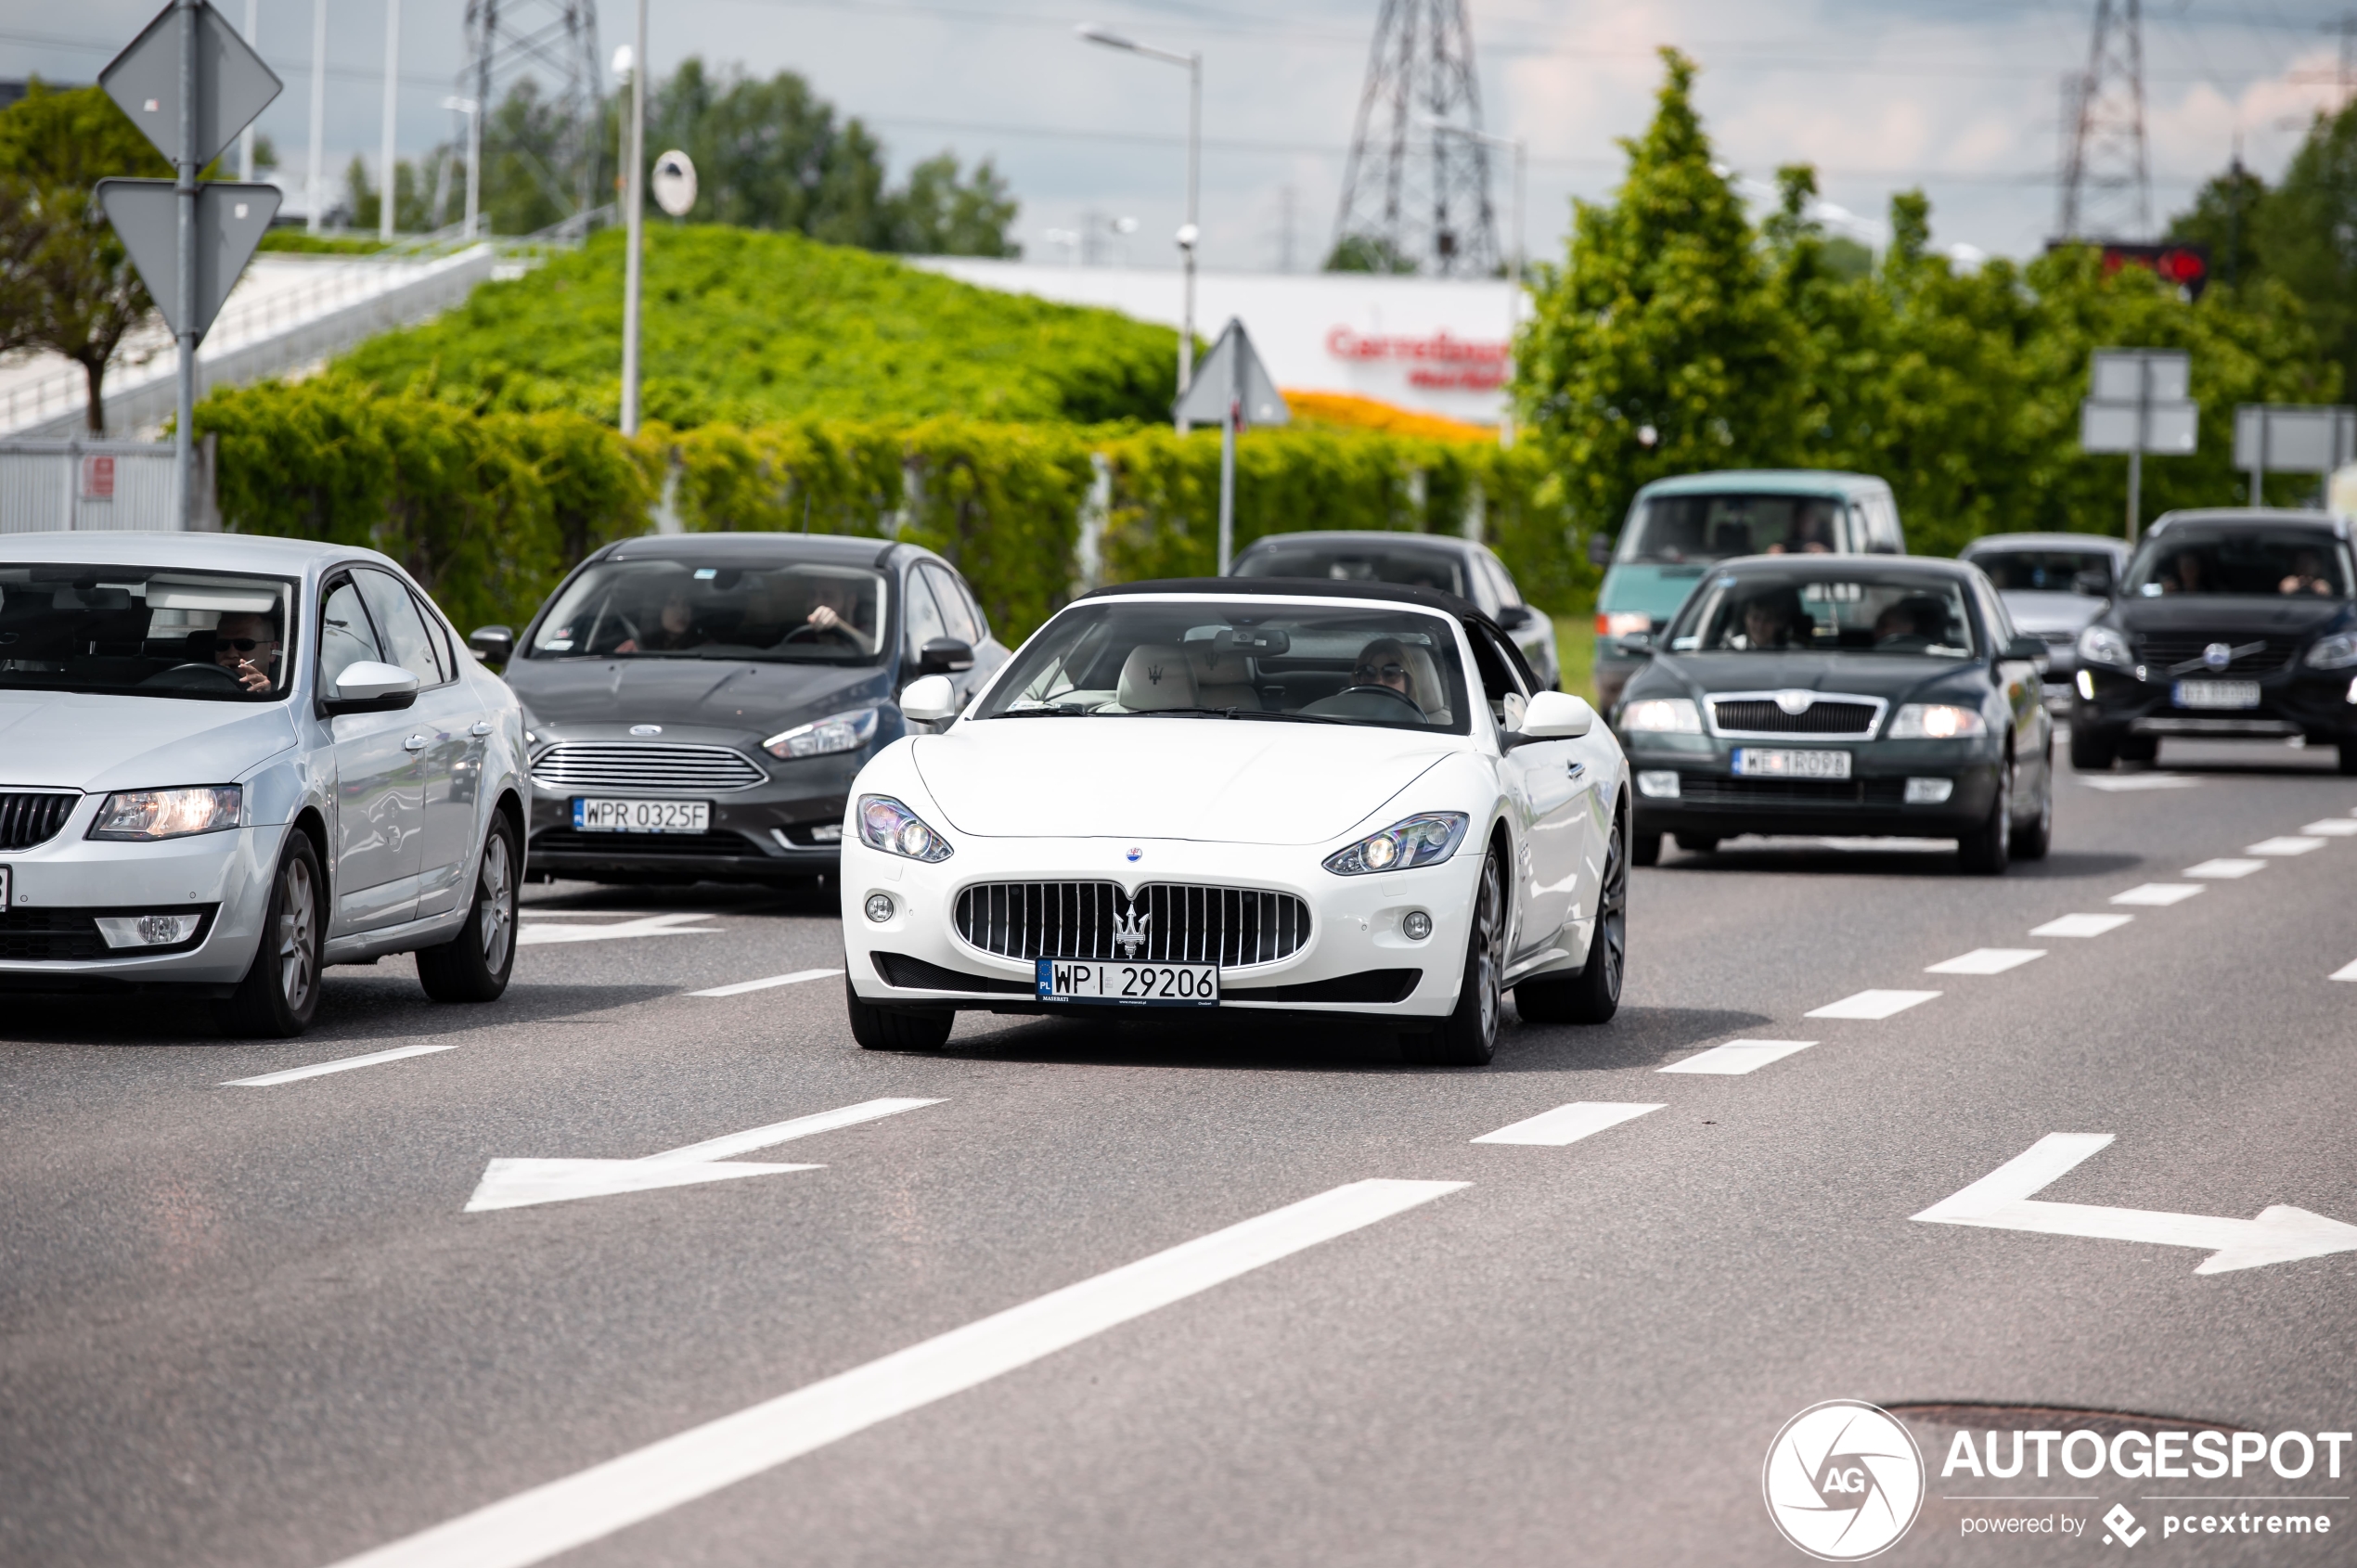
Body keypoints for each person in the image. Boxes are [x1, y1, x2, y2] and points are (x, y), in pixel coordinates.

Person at [800, 577, 877, 654]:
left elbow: (874, 650)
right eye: (812, 595)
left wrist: (837, 625)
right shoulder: (802, 640)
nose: (815, 603)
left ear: (851, 602)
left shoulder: (867, 632)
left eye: (827, 596)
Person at [615, 588, 705, 653]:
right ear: (657, 611)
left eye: (686, 604)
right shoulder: (635, 649)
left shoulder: (708, 650)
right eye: (672, 604)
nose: (681, 611)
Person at [213, 610, 281, 693]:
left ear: (271, 650)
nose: (231, 654)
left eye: (244, 644)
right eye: (222, 644)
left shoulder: (285, 694)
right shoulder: (198, 684)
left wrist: (263, 697)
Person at [1735, 588, 1807, 649]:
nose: (1760, 625)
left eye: (1768, 619)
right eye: (1755, 618)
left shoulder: (1795, 652)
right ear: (1745, 619)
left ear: (1779, 623)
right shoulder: (1731, 648)